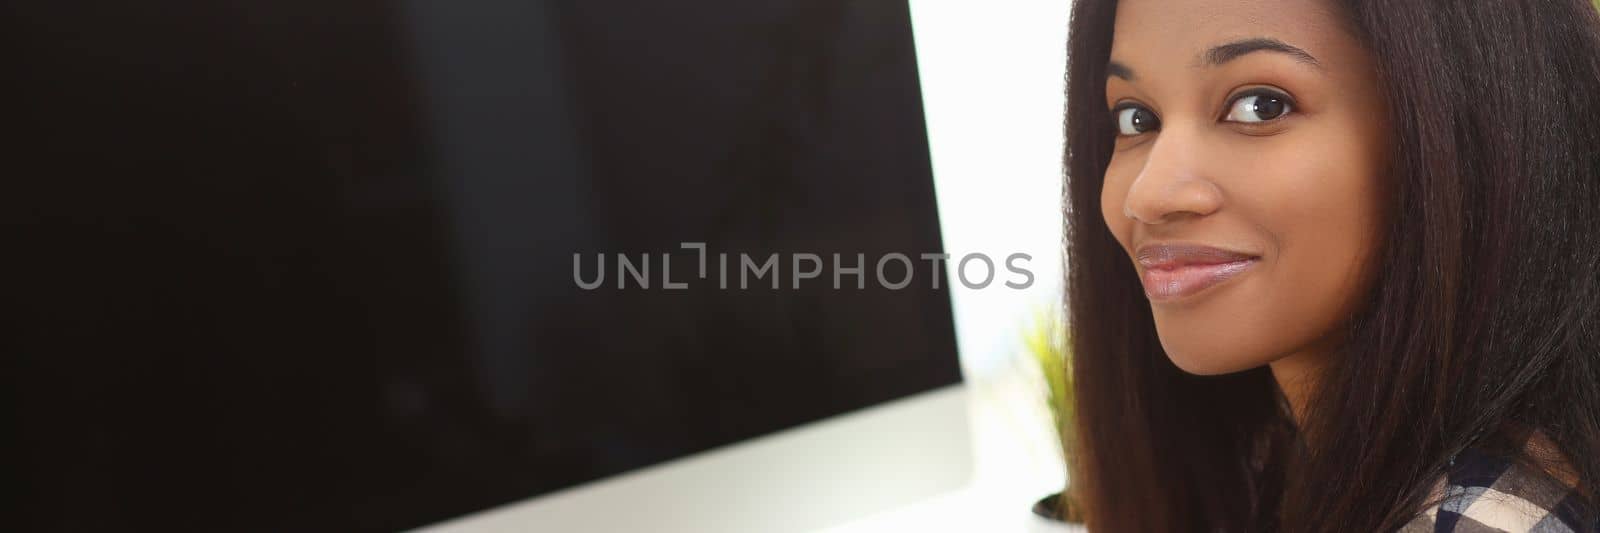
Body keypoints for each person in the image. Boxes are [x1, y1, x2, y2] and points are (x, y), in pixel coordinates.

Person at [1061, 0, 1600, 531]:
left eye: (1260, 106)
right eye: (1137, 118)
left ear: (1472, 132)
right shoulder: (1284, 467)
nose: (1147, 194)